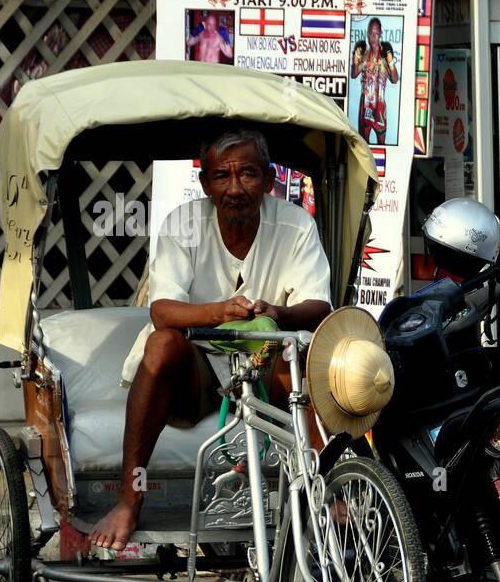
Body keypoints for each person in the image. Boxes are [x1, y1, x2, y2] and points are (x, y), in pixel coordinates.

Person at [89, 129, 333, 552]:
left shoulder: (295, 224)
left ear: (270, 179)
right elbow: (163, 311)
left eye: (248, 175)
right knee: (161, 343)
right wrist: (222, 311)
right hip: (195, 372)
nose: (235, 189)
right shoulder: (183, 224)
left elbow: (318, 306)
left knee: (303, 347)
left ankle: (324, 487)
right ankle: (130, 498)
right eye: (222, 176)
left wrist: (279, 314)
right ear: (205, 184)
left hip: (264, 364)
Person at [350, 20, 398, 144]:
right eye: (370, 33)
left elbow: (394, 79)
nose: (373, 37)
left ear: (381, 34)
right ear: (367, 34)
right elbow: (354, 74)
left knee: (382, 145)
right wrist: (355, 59)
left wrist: (391, 62)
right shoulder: (364, 56)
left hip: (380, 107)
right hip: (366, 106)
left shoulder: (384, 56)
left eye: (376, 33)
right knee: (364, 145)